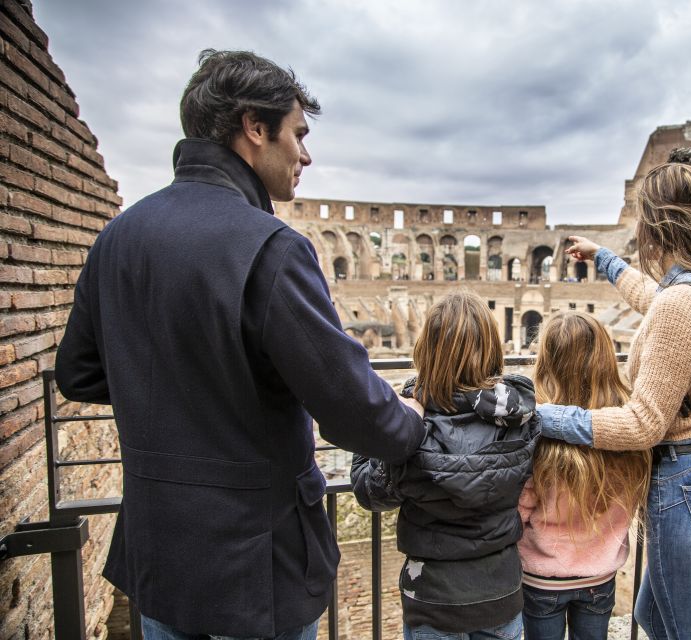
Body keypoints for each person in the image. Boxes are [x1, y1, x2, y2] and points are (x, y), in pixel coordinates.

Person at [55, 49, 426, 640]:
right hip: (258, 568)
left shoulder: (116, 239)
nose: (306, 154)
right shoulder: (272, 248)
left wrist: (184, 383)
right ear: (255, 127)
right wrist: (409, 421)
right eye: (298, 134)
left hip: (160, 560)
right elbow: (351, 408)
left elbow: (77, 373)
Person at [538, 163, 691, 640]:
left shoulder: (682, 304)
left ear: (657, 224)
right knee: (651, 617)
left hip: (685, 487)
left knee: (685, 633)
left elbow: (643, 425)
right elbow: (656, 298)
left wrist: (544, 417)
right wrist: (604, 259)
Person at [351, 291, 540, 640]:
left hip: (431, 595)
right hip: (500, 590)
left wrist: (382, 425)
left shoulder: (413, 420)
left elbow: (369, 492)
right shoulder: (520, 415)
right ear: (493, 349)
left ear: (427, 350)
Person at [519, 312, 650, 640]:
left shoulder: (535, 432)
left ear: (546, 361)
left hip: (541, 577)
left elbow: (520, 506)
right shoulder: (624, 429)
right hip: (599, 576)